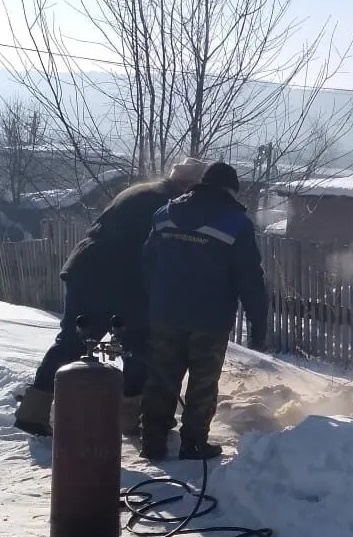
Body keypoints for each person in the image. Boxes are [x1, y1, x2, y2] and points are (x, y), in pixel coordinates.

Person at [13, 157, 207, 439]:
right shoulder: (169, 205)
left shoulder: (140, 191)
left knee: (72, 341)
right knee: (137, 345)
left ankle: (34, 411)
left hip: (85, 269)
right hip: (120, 278)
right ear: (188, 184)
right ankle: (129, 419)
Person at [139, 162, 267, 461]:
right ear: (228, 189)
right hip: (210, 317)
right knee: (203, 381)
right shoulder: (236, 223)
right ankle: (193, 443)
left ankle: (152, 442)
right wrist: (258, 323)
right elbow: (249, 277)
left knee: (161, 375)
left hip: (165, 312)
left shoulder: (164, 214)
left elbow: (147, 262)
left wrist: (156, 297)